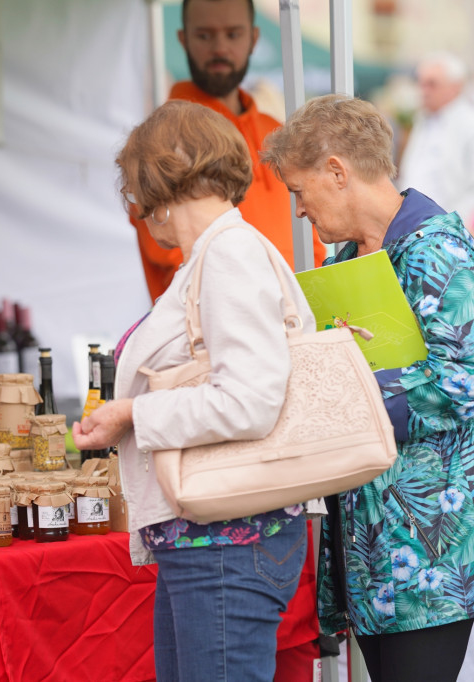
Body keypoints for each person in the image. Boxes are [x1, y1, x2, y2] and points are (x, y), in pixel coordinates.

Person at [73, 100, 313, 682]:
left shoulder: (228, 255)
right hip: (213, 540)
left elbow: (250, 400)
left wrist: (133, 412)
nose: (136, 208)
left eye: (135, 188)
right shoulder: (213, 256)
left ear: (156, 180)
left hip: (227, 543)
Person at [262, 93, 474, 682]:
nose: (300, 210)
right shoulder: (348, 261)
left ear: (337, 170)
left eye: (300, 191)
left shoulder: (439, 251)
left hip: (429, 554)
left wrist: (355, 387)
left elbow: (467, 382)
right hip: (369, 551)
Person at [133, 0, 325, 301]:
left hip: (299, 319)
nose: (219, 48)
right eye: (205, 35)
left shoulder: (275, 131)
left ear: (254, 38)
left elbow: (312, 237)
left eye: (233, 34)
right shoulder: (160, 140)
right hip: (215, 328)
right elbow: (175, 254)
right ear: (183, 39)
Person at [396, 52, 474, 230]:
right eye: (421, 83)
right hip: (416, 226)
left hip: (452, 229)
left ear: (456, 86)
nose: (423, 90)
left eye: (432, 84)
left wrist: (457, 226)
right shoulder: (423, 120)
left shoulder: (469, 124)